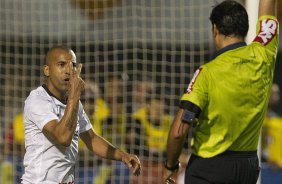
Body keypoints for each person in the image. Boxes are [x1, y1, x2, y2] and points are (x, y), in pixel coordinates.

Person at [163, 0, 279, 184]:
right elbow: (268, 6)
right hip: (247, 167)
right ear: (246, 28)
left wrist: (170, 166)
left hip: (209, 169)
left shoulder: (207, 73)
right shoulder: (264, 55)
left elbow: (179, 132)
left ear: (215, 30)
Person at [21, 45, 141, 184]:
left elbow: (92, 139)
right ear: (47, 70)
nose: (68, 70)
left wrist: (122, 156)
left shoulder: (73, 102)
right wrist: (74, 96)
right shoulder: (37, 99)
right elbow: (63, 138)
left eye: (72, 65)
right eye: (61, 64)